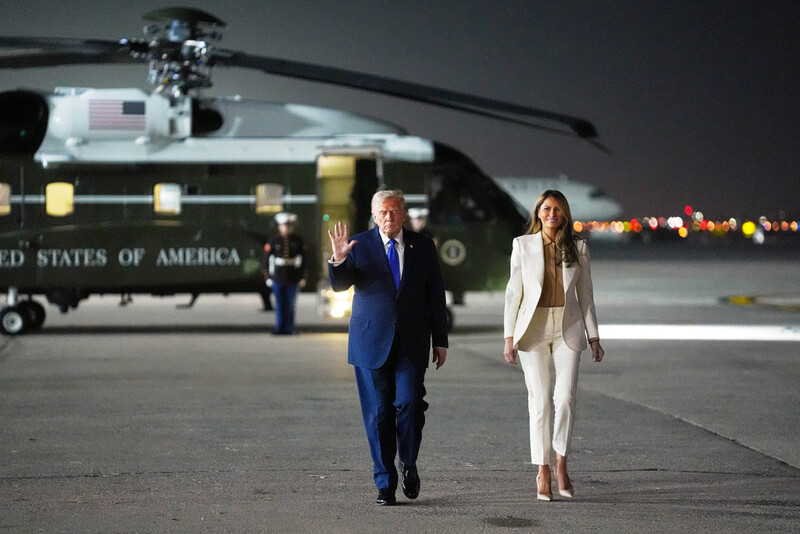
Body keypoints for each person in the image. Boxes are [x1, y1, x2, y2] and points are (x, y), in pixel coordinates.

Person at [328, 190, 449, 506]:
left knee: (409, 404)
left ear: (404, 213)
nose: (389, 217)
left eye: (395, 211)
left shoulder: (422, 246)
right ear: (374, 214)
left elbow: (435, 294)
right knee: (379, 413)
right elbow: (340, 284)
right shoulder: (359, 244)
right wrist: (339, 259)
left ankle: (408, 463)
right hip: (370, 343)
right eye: (383, 212)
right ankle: (385, 484)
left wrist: (441, 340)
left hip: (411, 342)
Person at [502, 189, 605, 502]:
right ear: (538, 212)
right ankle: (542, 467)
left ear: (565, 215)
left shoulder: (578, 248)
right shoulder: (522, 245)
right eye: (547, 209)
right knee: (541, 401)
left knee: (565, 398)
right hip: (531, 330)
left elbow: (586, 296)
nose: (552, 214)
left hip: (568, 328)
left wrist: (594, 336)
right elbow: (513, 294)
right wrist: (508, 336)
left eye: (558, 210)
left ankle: (561, 462)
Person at [264, 212, 307, 335]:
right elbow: (266, 260)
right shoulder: (274, 240)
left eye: (288, 226)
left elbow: (304, 260)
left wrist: (302, 277)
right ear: (279, 227)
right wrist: (268, 277)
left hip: (292, 277)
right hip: (278, 277)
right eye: (284, 226)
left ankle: (290, 327)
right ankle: (279, 327)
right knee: (279, 304)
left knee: (290, 305)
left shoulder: (297, 240)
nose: (286, 228)